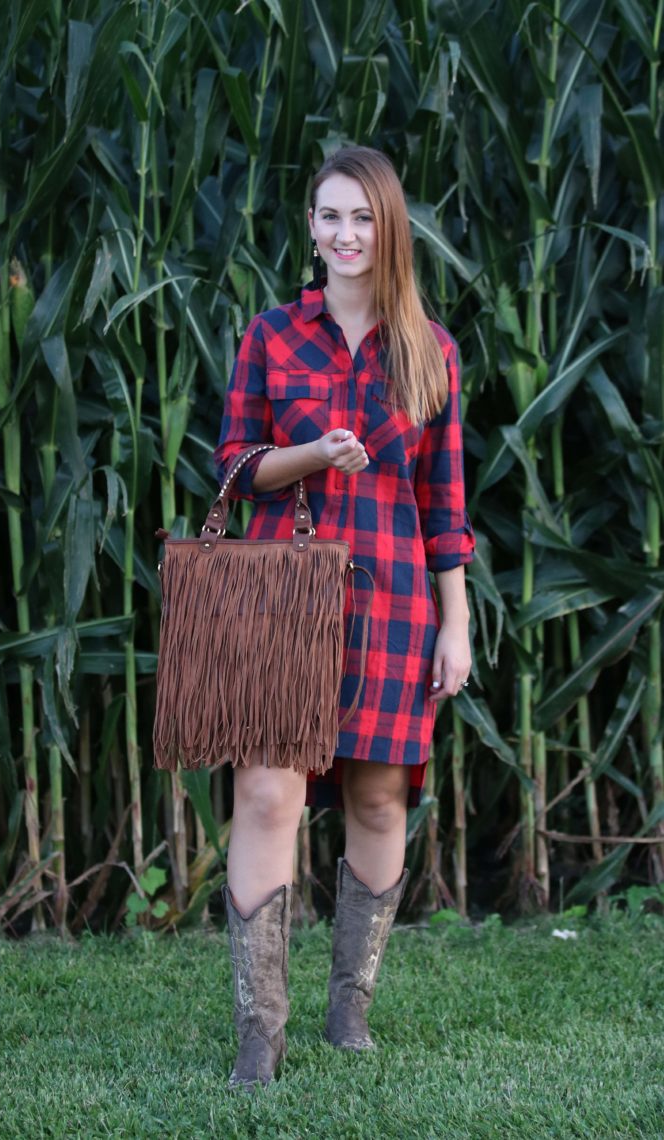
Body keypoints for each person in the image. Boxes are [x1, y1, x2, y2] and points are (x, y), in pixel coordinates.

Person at [213, 145, 475, 1090]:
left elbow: (445, 508)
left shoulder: (430, 349)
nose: (345, 234)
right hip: (285, 597)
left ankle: (348, 1013)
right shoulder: (272, 335)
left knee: (376, 796)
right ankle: (258, 1035)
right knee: (269, 796)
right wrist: (310, 454)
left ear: (390, 227)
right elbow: (234, 469)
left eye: (362, 217)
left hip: (399, 602)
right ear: (311, 227)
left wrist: (458, 623)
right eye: (329, 216)